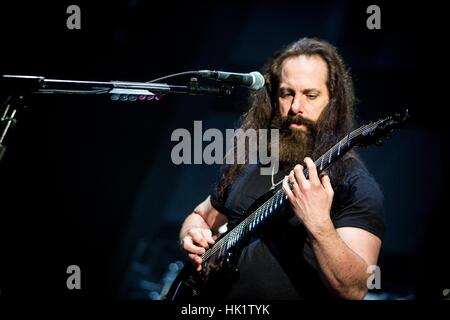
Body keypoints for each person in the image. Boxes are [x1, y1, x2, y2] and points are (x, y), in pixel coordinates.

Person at [178, 37, 385, 300]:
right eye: (287, 93)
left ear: (334, 101)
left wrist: (318, 222)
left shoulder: (354, 185)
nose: (296, 107)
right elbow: (200, 215)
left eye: (311, 95)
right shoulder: (252, 161)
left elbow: (354, 289)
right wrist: (192, 235)